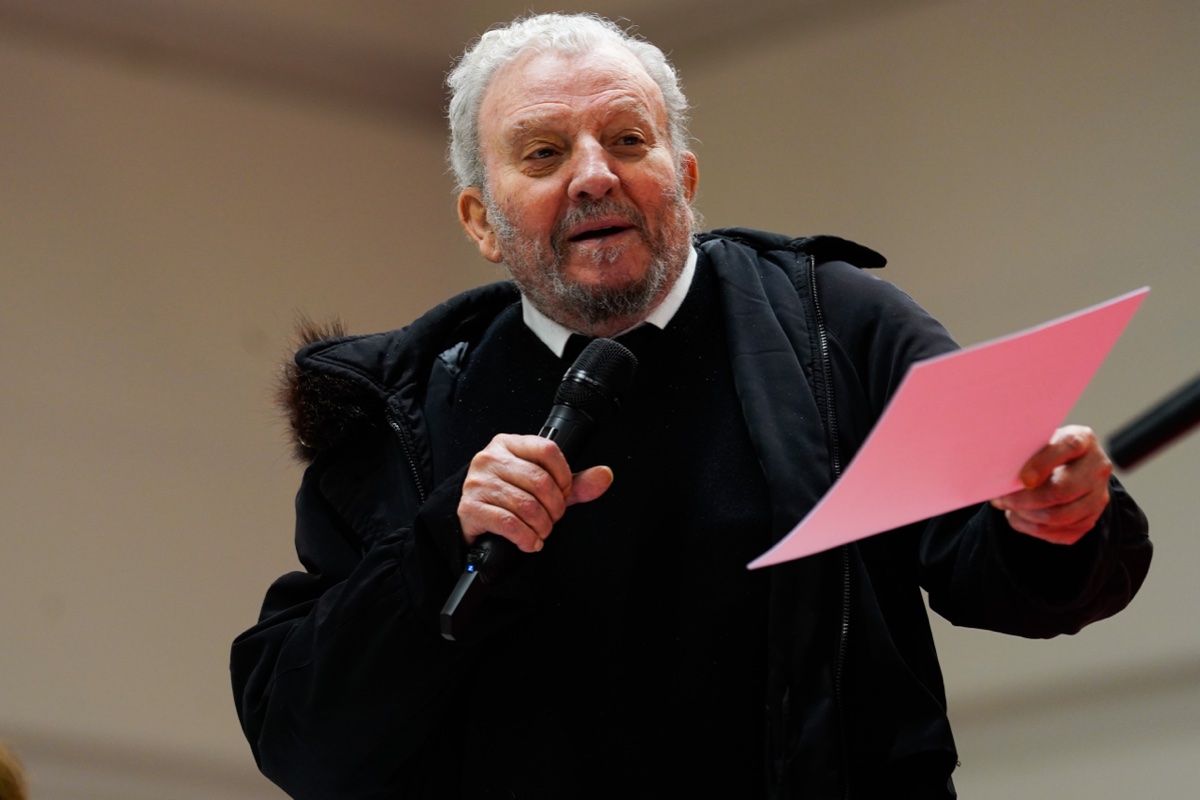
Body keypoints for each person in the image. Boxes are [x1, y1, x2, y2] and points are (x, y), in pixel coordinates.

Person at [230, 12, 1151, 799]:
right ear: (481, 221)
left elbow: (998, 559)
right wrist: (443, 547)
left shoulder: (835, 327)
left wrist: (1055, 520)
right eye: (545, 153)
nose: (595, 175)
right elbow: (307, 741)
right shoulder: (402, 409)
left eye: (629, 141)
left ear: (686, 178)